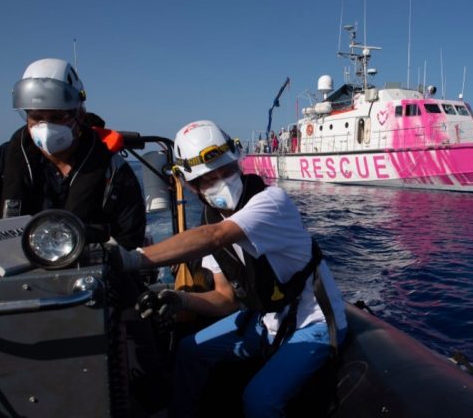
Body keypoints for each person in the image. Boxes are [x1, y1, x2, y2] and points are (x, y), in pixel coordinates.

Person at [109, 119, 348, 417]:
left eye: (227, 171)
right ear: (191, 186)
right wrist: (179, 299)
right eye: (208, 179)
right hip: (266, 321)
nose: (221, 182)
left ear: (239, 165)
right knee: (189, 351)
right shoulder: (212, 221)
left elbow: (214, 238)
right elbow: (226, 299)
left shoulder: (271, 203)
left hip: (313, 324)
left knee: (259, 401)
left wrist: (132, 258)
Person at [0, 58, 145, 252]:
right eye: (37, 117)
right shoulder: (0, 161)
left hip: (88, 272)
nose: (46, 126)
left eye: (57, 117)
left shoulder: (114, 171)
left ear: (79, 114)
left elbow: (129, 238)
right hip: (13, 275)